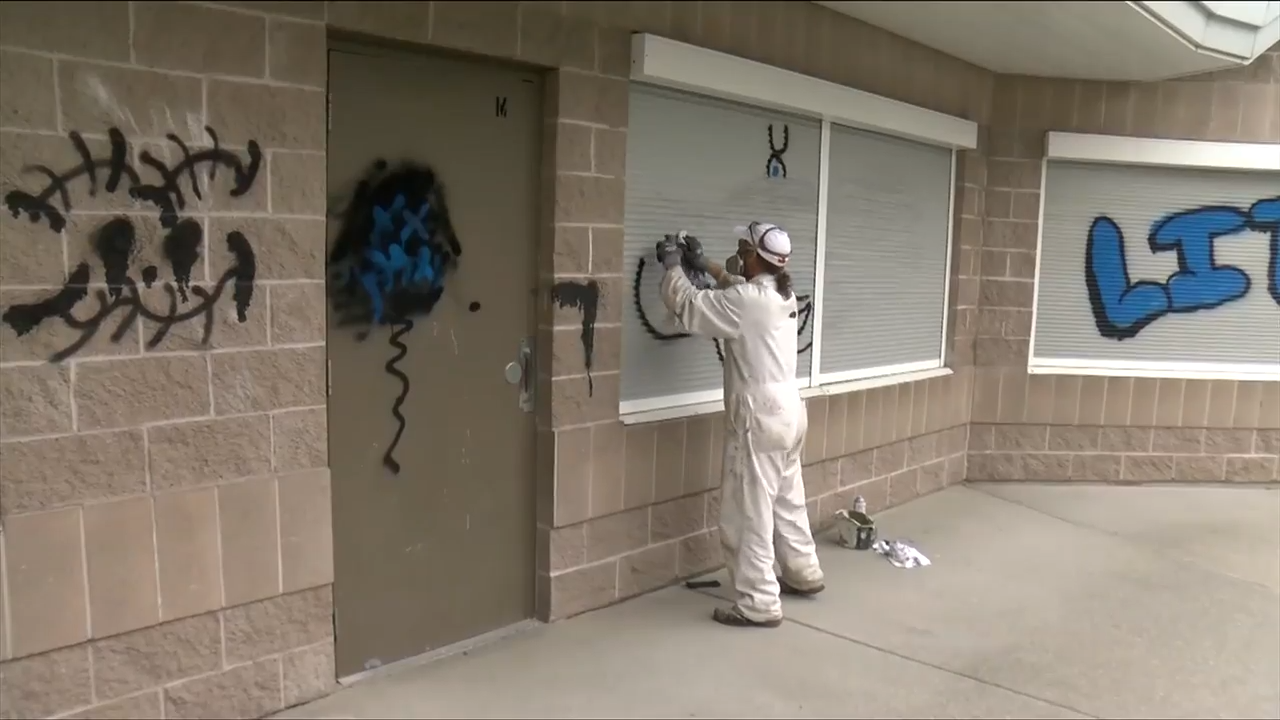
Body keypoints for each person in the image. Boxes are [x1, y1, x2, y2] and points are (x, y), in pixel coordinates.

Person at [654, 222, 825, 629]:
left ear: (753, 255)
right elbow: (738, 291)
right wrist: (707, 266)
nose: (737, 255)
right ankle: (803, 571)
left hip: (759, 419)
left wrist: (674, 267)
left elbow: (691, 305)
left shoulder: (747, 301)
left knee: (749, 513)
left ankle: (758, 603)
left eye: (741, 248)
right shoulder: (781, 293)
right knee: (787, 501)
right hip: (789, 413)